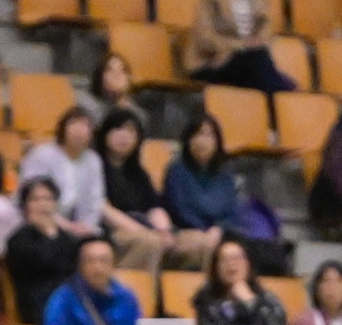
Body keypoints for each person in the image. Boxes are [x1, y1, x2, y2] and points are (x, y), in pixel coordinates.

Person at [99, 109, 206, 272]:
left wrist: (164, 231)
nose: (124, 136)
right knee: (151, 242)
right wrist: (142, 231)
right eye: (118, 129)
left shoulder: (138, 173)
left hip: (148, 229)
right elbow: (103, 209)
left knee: (199, 241)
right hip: (115, 232)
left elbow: (154, 207)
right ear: (105, 133)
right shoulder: (95, 166)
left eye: (131, 132)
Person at [17, 111, 108, 250]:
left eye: (86, 126)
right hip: (39, 221)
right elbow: (32, 198)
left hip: (76, 224)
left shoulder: (93, 160)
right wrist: (66, 226)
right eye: (74, 125)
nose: (80, 131)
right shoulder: (41, 154)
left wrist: (86, 225)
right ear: (63, 129)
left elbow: (94, 200)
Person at [4, 177, 82, 325]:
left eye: (48, 198)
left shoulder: (68, 239)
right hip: (38, 303)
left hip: (70, 299)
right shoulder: (18, 240)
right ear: (25, 205)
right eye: (35, 199)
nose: (43, 204)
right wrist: (47, 232)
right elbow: (46, 262)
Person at [164, 113, 243, 243]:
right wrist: (206, 232)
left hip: (220, 234)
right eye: (198, 134)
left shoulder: (226, 177)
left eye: (209, 135)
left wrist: (219, 229)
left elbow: (231, 212)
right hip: (187, 232)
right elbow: (180, 211)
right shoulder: (176, 171)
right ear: (188, 139)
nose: (203, 141)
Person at [187, 0, 293, 92]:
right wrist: (241, 46)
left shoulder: (258, 3)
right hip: (215, 62)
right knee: (258, 60)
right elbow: (206, 39)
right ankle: (283, 91)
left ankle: (279, 92)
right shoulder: (210, 2)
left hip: (250, 62)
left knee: (259, 60)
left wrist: (258, 41)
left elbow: (265, 27)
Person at [79, 51, 140, 127]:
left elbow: (141, 124)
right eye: (110, 70)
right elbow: (103, 126)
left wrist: (122, 99)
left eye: (122, 70)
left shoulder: (132, 109)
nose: (117, 75)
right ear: (100, 76)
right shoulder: (85, 101)